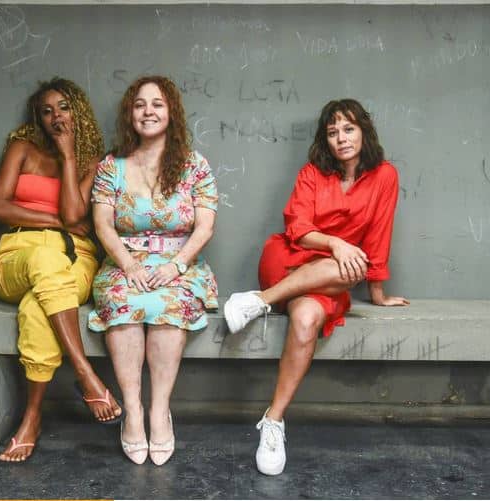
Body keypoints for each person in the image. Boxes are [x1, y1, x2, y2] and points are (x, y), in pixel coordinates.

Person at [223, 98, 409, 476]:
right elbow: (298, 229)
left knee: (309, 315)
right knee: (346, 263)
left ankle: (273, 421)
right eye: (332, 132)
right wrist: (336, 244)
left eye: (348, 128)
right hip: (287, 260)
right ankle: (264, 296)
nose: (341, 138)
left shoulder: (385, 176)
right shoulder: (312, 173)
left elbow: (378, 238)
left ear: (364, 131)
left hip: (331, 279)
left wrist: (378, 295)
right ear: (325, 140)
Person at [0, 77, 122, 462]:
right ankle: (86, 374)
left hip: (74, 260)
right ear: (38, 117)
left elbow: (76, 214)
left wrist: (67, 156)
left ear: (77, 112)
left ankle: (32, 418)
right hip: (16, 255)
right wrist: (55, 223)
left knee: (35, 309)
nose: (56, 116)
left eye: (63, 107)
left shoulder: (92, 161)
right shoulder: (22, 149)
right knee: (43, 263)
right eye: (47, 111)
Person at [89, 75, 218, 466]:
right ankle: (133, 411)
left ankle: (159, 411)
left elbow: (205, 225)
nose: (148, 111)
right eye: (140, 104)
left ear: (171, 112)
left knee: (166, 306)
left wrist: (176, 266)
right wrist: (128, 266)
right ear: (130, 115)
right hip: (124, 263)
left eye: (157, 104)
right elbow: (102, 225)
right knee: (123, 304)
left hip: (179, 265)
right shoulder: (112, 166)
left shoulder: (195, 165)